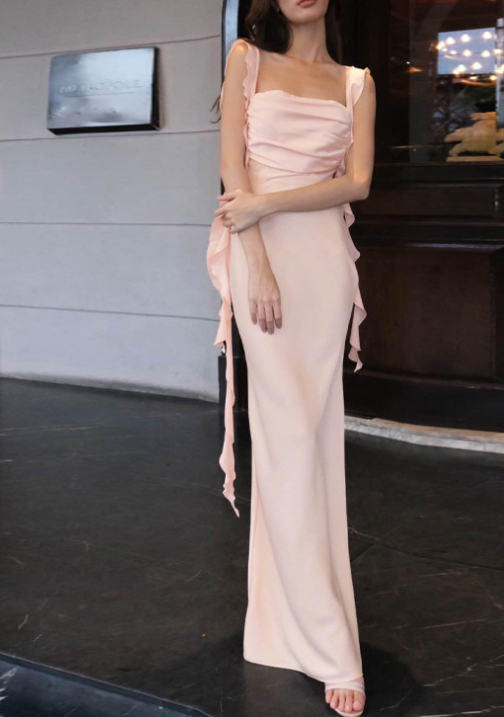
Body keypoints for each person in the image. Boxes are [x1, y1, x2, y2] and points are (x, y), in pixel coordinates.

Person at [206, 0, 375, 714]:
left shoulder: (357, 81)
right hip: (261, 263)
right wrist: (259, 263)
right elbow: (234, 174)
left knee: (309, 437)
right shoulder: (246, 59)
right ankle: (331, 644)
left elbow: (358, 183)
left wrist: (268, 207)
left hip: (324, 262)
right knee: (290, 437)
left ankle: (278, 624)